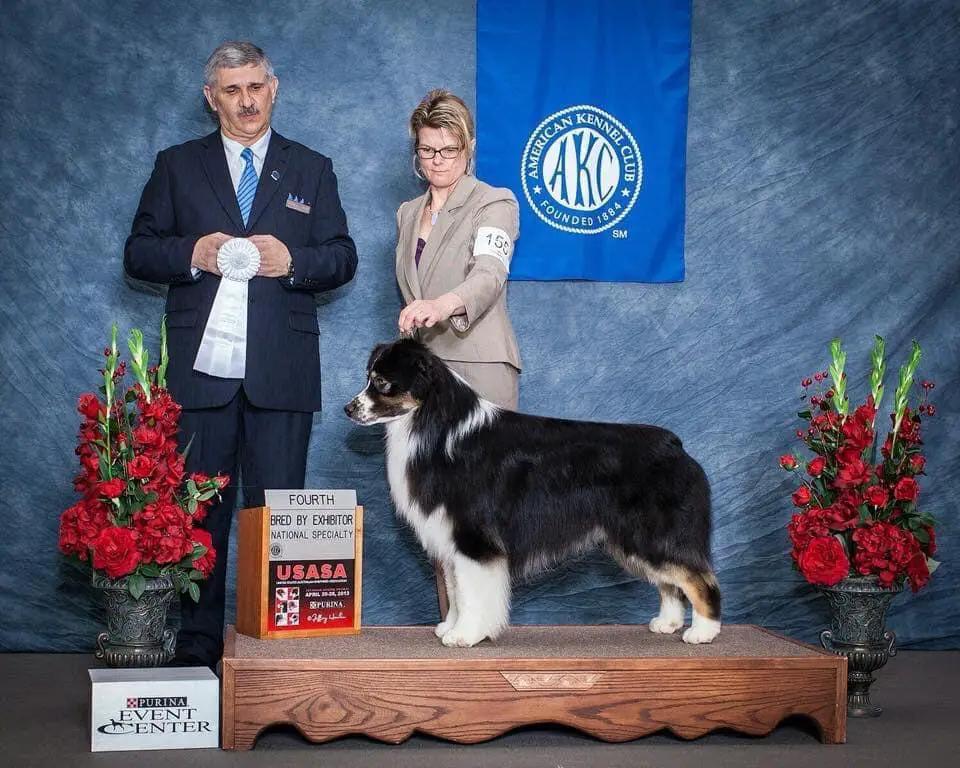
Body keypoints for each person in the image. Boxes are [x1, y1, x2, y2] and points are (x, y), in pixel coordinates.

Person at [124, 41, 357, 668]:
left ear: (274, 87)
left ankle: (277, 656)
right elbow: (138, 252)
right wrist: (191, 253)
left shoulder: (312, 167)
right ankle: (197, 651)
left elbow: (342, 257)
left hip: (282, 374)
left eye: (255, 86)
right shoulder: (176, 166)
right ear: (211, 97)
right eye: (231, 90)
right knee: (198, 519)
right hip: (202, 377)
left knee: (279, 521)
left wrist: (295, 263)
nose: (246, 101)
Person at [395, 88, 521, 410]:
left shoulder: (494, 202)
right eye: (427, 150)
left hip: (478, 368)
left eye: (449, 150)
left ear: (469, 149)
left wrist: (441, 306)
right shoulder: (407, 213)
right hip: (421, 372)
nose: (437, 161)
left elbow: (489, 273)